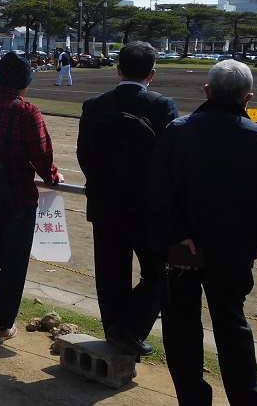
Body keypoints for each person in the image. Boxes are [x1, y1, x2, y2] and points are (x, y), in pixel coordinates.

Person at [147, 60, 257, 406]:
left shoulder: (178, 130)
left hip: (182, 251)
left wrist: (178, 235)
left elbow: (157, 192)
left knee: (181, 328)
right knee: (232, 327)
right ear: (248, 98)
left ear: (207, 91)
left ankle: (193, 399)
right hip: (234, 254)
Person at [76, 41, 179, 356]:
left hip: (104, 202)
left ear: (118, 70)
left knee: (110, 274)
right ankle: (128, 329)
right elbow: (171, 158)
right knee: (161, 271)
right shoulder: (162, 106)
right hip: (146, 206)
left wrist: (101, 181)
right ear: (152, 74)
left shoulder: (94, 105)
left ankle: (115, 332)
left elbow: (84, 154)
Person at [0, 51, 60, 343]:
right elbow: (43, 156)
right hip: (18, 196)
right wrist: (52, 177)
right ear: (26, 81)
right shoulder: (28, 111)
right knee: (14, 265)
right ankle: (1, 326)